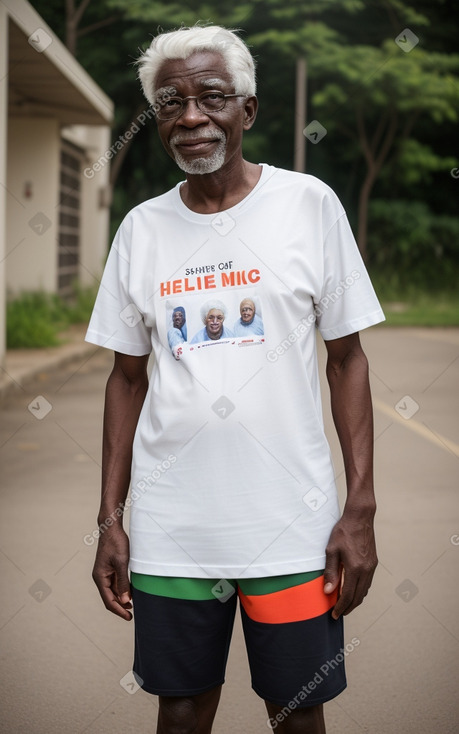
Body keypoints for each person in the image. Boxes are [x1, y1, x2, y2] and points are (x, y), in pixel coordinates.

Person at [85, 24, 385, 734]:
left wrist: (360, 509)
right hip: (171, 533)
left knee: (295, 711)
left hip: (291, 526)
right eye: (169, 103)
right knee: (182, 710)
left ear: (246, 111)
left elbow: (345, 359)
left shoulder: (307, 206)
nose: (189, 116)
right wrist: (109, 519)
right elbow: (126, 380)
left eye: (210, 97)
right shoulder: (140, 230)